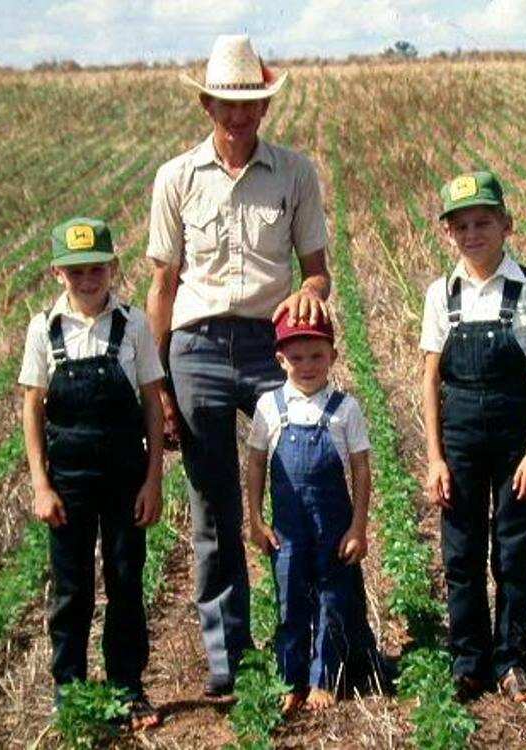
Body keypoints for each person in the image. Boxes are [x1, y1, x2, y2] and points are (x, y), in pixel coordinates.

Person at [146, 34, 330, 696]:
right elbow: (162, 287)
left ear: (265, 107)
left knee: (302, 484)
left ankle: (305, 641)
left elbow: (317, 272)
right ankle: (229, 656)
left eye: (250, 103)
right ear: (206, 105)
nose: (238, 115)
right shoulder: (175, 178)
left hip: (269, 346)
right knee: (215, 507)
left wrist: (310, 296)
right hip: (195, 349)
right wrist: (159, 386)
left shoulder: (295, 173)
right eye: (226, 103)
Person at [420, 171, 526, 702]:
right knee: (460, 552)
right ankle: (468, 660)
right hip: (459, 436)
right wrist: (435, 458)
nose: (472, 234)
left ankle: (512, 658)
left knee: (512, 552)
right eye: (461, 226)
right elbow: (430, 378)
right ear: (448, 234)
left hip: (514, 438)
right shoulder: (442, 293)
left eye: (483, 222)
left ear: (507, 224)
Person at [20, 217, 164, 729]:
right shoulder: (44, 328)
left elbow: (152, 403)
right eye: (76, 270)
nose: (87, 279)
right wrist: (41, 484)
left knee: (125, 580)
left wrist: (153, 479)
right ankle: (71, 691)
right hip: (69, 481)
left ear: (113, 267)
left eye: (96, 268)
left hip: (125, 477)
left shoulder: (133, 324)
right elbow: (32, 408)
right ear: (58, 273)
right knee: (71, 588)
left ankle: (127, 687)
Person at [247, 311, 381, 714]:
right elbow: (256, 463)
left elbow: (360, 468)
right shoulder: (270, 407)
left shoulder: (345, 408)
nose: (307, 366)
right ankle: (290, 679)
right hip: (288, 528)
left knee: (332, 598)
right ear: (280, 360)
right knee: (289, 599)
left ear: (333, 356)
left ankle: (325, 677)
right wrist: (255, 519)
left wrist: (358, 526)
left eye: (316, 356)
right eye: (297, 358)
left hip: (333, 526)